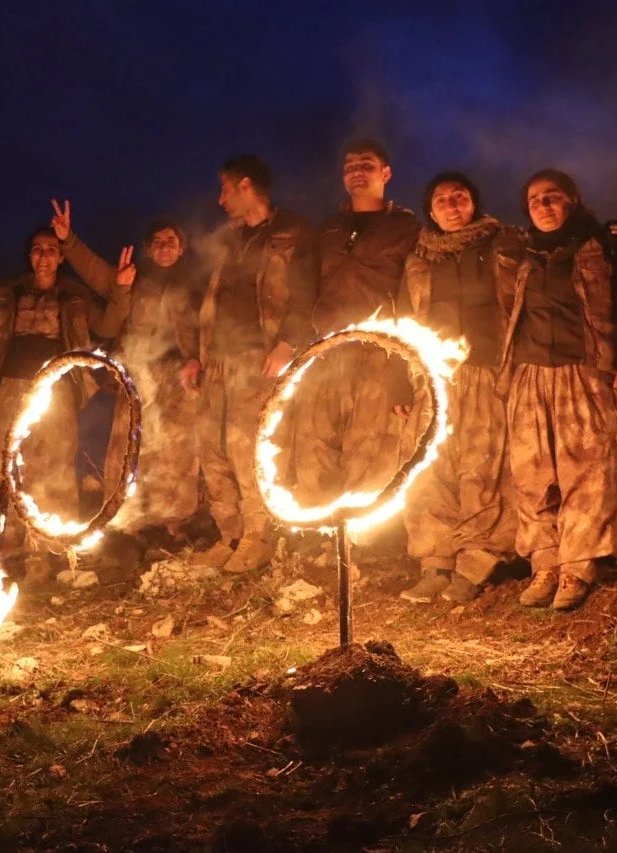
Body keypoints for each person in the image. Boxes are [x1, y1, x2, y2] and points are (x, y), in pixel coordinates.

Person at [0, 220, 130, 574]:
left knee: (56, 464)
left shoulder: (73, 296)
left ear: (60, 257)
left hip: (58, 387)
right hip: (10, 389)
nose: (44, 256)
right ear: (29, 257)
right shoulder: (7, 294)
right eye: (37, 249)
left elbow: (108, 327)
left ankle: (47, 551)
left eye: (51, 250)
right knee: (0, 463)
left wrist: (121, 290)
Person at [502, 169, 617, 611]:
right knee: (532, 474)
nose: (543, 206)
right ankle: (545, 564)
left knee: (589, 471)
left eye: (552, 197)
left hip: (583, 371)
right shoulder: (522, 253)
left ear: (572, 200)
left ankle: (579, 566)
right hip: (530, 373)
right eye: (534, 200)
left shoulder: (598, 246)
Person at [395, 173, 521, 605]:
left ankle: (474, 566)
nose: (451, 206)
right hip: (433, 378)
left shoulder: (503, 246)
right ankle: (435, 564)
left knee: (480, 471)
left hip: (487, 373)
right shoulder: (418, 260)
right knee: (428, 472)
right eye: (441, 200)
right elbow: (401, 324)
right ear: (430, 211)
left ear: (474, 203)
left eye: (459, 197)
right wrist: (402, 386)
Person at [194, 154, 317, 574]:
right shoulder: (227, 241)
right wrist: (198, 356)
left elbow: (307, 294)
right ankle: (228, 534)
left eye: (225, 188)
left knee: (250, 449)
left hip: (258, 357)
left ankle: (258, 537)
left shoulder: (292, 231)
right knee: (212, 449)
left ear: (246, 186)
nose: (220, 198)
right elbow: (207, 300)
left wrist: (288, 342)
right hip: (219, 360)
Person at [55, 208, 202, 537]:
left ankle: (174, 523)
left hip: (179, 376)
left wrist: (199, 361)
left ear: (181, 249)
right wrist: (68, 240)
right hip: (136, 373)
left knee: (177, 450)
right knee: (127, 447)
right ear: (149, 249)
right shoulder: (131, 280)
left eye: (171, 241)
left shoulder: (196, 285)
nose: (164, 247)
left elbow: (216, 324)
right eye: (157, 242)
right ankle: (125, 522)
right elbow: (95, 272)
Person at [291, 139, 420, 508]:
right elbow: (306, 290)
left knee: (370, 445)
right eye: (350, 166)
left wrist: (401, 370)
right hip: (328, 349)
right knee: (314, 439)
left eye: (366, 164)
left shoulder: (406, 229)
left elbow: (414, 296)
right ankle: (320, 530)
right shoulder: (330, 228)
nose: (357, 172)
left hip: (378, 350)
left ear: (386, 173)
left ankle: (359, 539)